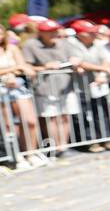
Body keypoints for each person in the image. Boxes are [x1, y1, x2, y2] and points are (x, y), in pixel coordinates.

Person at [21, 19, 82, 157]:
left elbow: (76, 57)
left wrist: (76, 61)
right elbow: (26, 66)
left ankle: (63, 146)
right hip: (44, 88)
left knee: (65, 116)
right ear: (41, 32)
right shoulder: (31, 45)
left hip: (65, 85)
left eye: (55, 30)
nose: (54, 33)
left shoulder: (64, 43)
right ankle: (54, 148)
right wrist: (44, 67)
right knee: (51, 118)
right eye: (50, 31)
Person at [68, 20, 110, 151]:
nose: (94, 34)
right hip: (80, 86)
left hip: (98, 85)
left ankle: (107, 139)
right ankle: (91, 141)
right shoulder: (72, 44)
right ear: (80, 34)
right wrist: (103, 69)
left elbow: (105, 61)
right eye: (90, 33)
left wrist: (101, 74)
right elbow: (79, 62)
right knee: (85, 115)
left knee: (101, 112)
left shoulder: (98, 44)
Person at [0, 26, 43, 166]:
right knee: (9, 126)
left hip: (17, 87)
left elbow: (23, 66)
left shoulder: (11, 48)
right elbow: (18, 67)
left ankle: (31, 153)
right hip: (1, 90)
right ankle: (16, 156)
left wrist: (12, 73)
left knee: (30, 121)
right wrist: (12, 70)